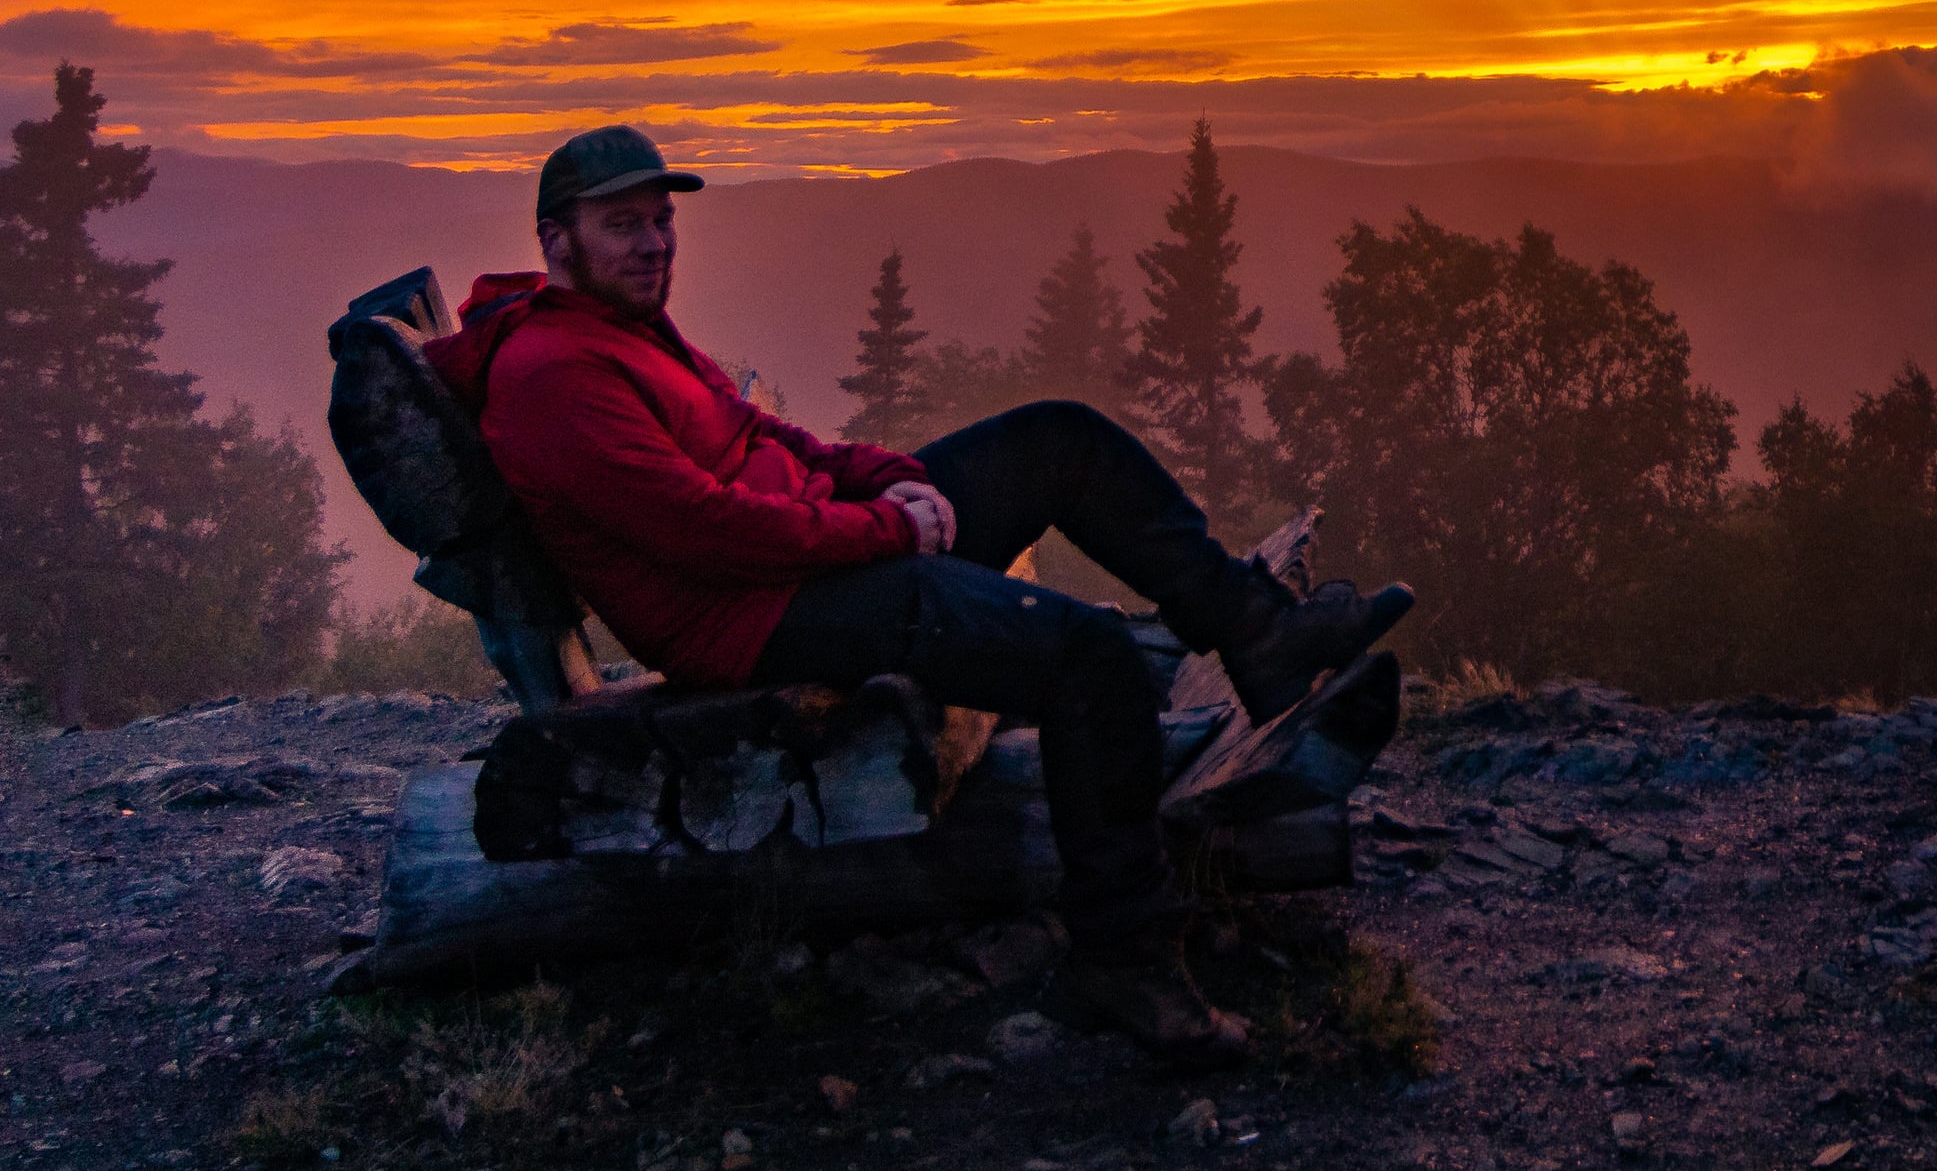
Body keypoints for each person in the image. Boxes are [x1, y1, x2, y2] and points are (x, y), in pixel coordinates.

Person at [434, 123, 1409, 1059]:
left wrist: (887, 477)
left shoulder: (624, 325)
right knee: (1088, 653)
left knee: (1059, 440)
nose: (654, 243)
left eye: (661, 219)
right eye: (623, 225)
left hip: (810, 554)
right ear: (556, 240)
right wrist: (891, 527)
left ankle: (1256, 630)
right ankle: (1124, 957)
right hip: (758, 617)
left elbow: (760, 434)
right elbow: (703, 529)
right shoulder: (552, 375)